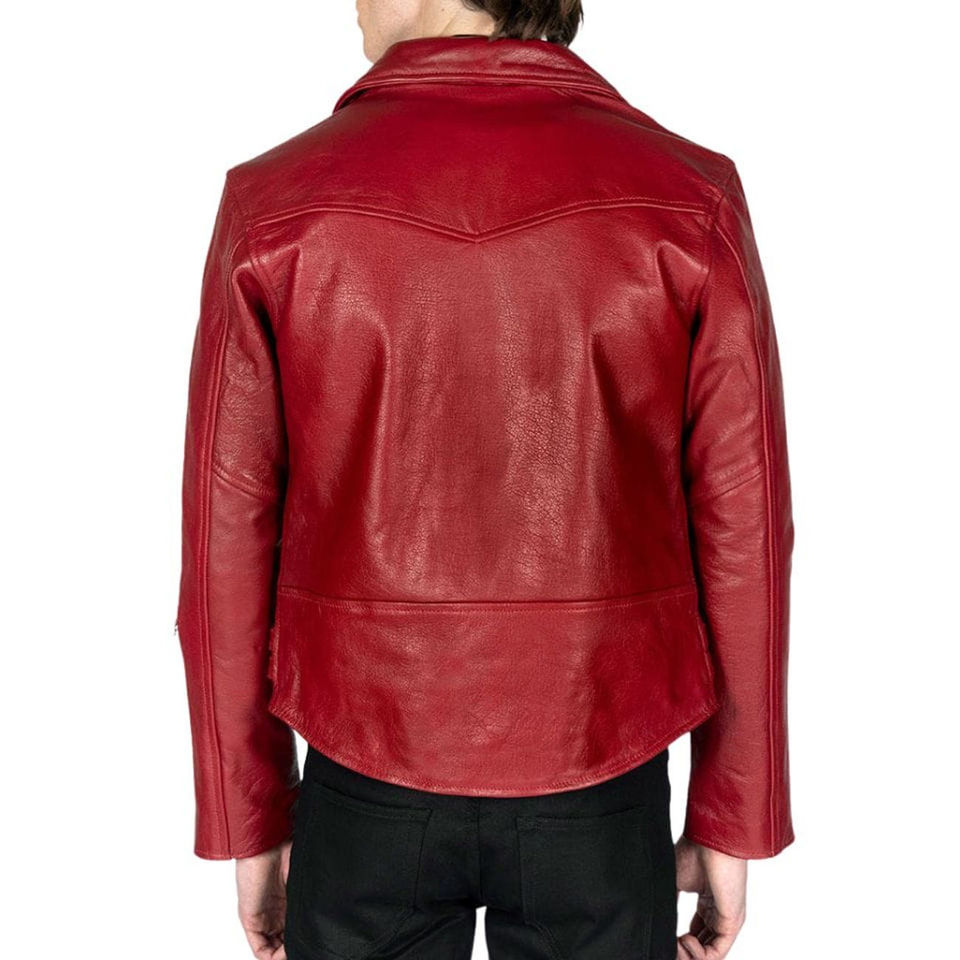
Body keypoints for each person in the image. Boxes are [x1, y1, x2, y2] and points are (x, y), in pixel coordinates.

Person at [175, 1, 795, 958]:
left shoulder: (275, 203)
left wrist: (248, 816)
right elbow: (746, 527)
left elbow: (226, 540)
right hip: (602, 766)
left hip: (362, 772)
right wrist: (732, 812)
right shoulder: (687, 197)